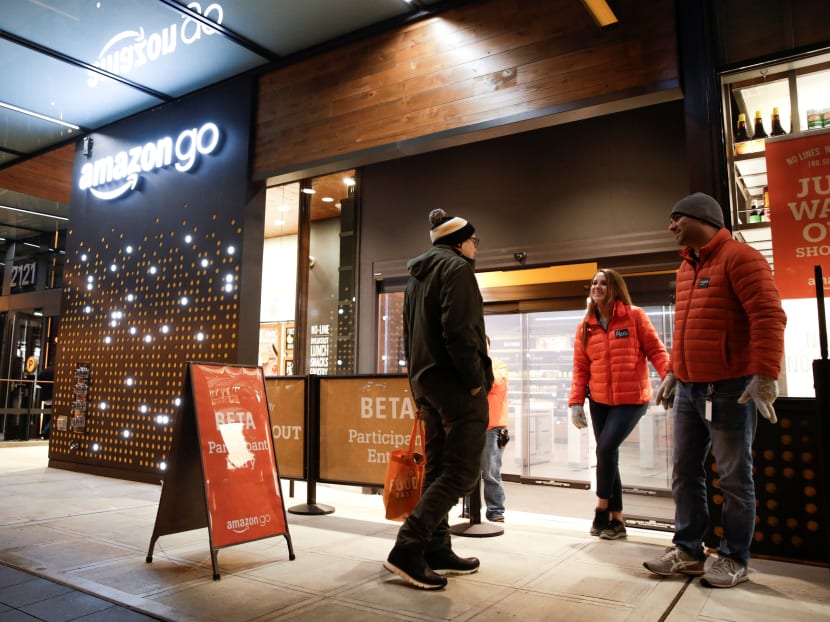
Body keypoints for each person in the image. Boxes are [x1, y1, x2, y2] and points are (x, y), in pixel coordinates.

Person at [644, 192, 786, 588]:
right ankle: (688, 550)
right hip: (690, 390)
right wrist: (674, 371)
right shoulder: (686, 267)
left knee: (735, 478)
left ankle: (734, 558)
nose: (670, 226)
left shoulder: (741, 257)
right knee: (684, 472)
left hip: (729, 390)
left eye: (675, 218)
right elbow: (687, 326)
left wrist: (764, 374)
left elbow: (768, 315)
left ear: (701, 217)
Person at [384, 208, 493, 590]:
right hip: (457, 387)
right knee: (461, 472)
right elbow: (460, 332)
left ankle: (436, 548)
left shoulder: (417, 277)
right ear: (459, 241)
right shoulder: (457, 269)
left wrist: (417, 388)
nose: (475, 248)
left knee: (437, 468)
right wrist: (476, 382)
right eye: (474, 241)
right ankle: (408, 547)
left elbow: (406, 336)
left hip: (427, 384)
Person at [568, 268, 670, 540]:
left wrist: (670, 377)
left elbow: (656, 350)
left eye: (604, 283)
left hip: (632, 399)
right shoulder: (586, 326)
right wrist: (576, 401)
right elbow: (580, 368)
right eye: (594, 283)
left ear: (615, 289)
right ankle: (618, 521)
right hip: (599, 400)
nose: (597, 287)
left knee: (606, 448)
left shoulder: (634, 316)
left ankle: (601, 507)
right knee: (607, 455)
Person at [462, 335, 509, 522]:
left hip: (493, 427)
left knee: (490, 471)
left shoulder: (498, 365)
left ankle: (496, 511)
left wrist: (483, 362)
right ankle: (468, 509)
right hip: (471, 425)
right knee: (468, 470)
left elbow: (494, 384)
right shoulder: (468, 367)